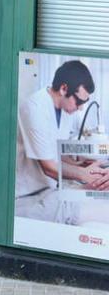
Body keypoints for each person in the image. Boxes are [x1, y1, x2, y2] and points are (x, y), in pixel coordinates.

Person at [16, 60, 109, 224]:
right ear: (64, 88)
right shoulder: (35, 108)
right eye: (79, 102)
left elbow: (56, 152)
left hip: (52, 189)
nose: (80, 108)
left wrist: (84, 166)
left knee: (97, 196)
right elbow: (49, 168)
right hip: (29, 197)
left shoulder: (64, 110)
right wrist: (86, 176)